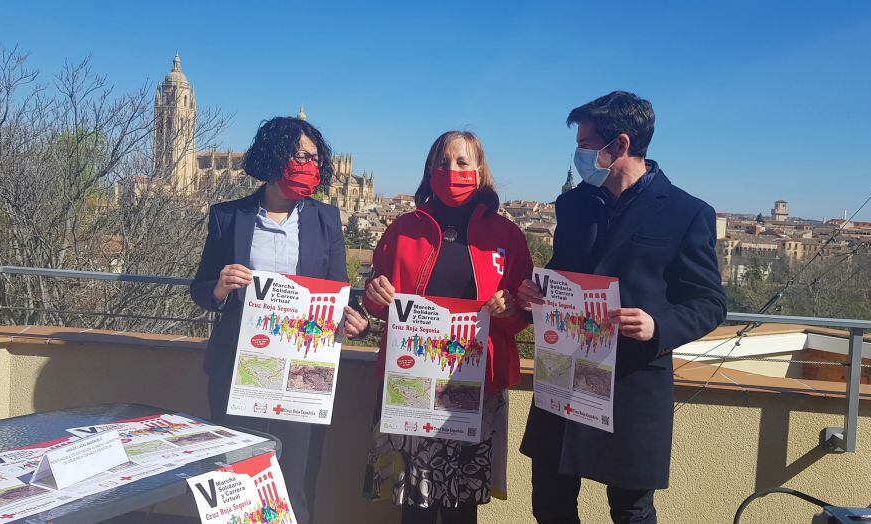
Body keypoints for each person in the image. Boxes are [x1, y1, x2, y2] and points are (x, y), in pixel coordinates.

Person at [517, 91, 727, 523]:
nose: (579, 154)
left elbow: (709, 302)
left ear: (621, 146)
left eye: (587, 144)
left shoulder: (688, 213)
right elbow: (563, 271)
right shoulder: (573, 205)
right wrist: (535, 294)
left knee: (631, 511)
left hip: (632, 384)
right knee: (550, 505)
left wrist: (658, 325)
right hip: (566, 375)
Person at [190, 116, 369, 524]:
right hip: (237, 372)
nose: (309, 164)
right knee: (239, 484)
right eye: (299, 155)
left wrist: (350, 320)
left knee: (296, 485)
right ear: (273, 157)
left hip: (304, 378)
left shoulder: (326, 218)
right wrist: (219, 288)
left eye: (314, 157)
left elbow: (337, 292)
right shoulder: (228, 216)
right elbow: (201, 289)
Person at [361, 131, 533, 524]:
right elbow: (378, 303)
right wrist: (375, 296)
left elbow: (525, 314)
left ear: (479, 170)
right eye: (442, 162)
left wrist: (508, 311)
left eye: (461, 162)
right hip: (411, 384)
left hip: (477, 389)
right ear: (429, 170)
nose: (451, 171)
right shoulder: (401, 230)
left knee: (463, 510)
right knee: (413, 506)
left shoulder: (508, 236)